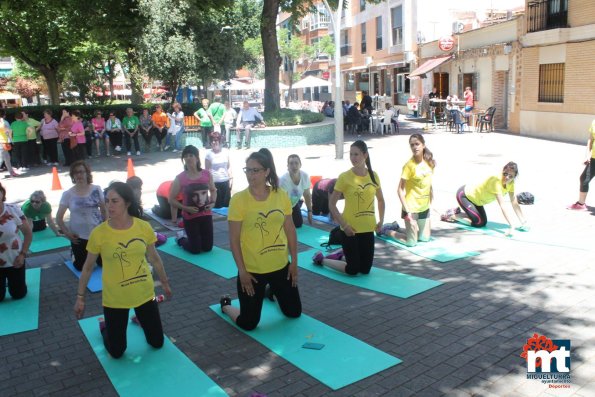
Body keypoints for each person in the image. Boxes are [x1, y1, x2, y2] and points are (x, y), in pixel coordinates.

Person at [74, 182, 172, 359]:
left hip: (143, 293)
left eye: (114, 201)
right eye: (107, 201)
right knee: (117, 352)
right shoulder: (99, 233)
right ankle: (105, 327)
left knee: (157, 343)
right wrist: (80, 297)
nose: (108, 206)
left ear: (127, 203)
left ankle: (138, 319)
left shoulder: (143, 227)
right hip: (115, 299)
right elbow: (88, 267)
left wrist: (165, 283)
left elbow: (154, 258)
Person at [219, 150, 301, 331]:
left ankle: (270, 291)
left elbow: (290, 229)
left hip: (281, 267)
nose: (251, 175)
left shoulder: (281, 195)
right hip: (252, 271)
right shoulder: (239, 200)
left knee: (294, 312)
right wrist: (242, 271)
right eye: (247, 170)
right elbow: (233, 239)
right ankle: (225, 305)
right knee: (248, 323)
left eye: (255, 170)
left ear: (267, 172)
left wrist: (294, 261)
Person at [312, 140, 385, 275]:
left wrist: (381, 220)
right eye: (351, 154)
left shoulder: (374, 176)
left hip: (368, 228)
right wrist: (344, 226)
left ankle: (341, 255)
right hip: (350, 229)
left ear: (365, 155)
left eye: (356, 154)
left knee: (365, 270)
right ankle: (322, 259)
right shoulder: (344, 177)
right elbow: (332, 204)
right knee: (352, 270)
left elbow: (381, 200)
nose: (353, 158)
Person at [441, 161, 527, 236]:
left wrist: (523, 221)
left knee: (483, 222)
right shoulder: (496, 181)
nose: (507, 177)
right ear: (502, 171)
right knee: (478, 222)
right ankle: (451, 215)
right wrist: (511, 225)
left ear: (514, 177)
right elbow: (502, 205)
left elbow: (513, 201)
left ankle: (458, 212)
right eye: (505, 174)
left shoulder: (511, 183)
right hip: (465, 196)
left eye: (510, 176)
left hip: (477, 201)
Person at [382, 134, 435, 246]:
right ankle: (387, 230)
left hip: (424, 207)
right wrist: (408, 213)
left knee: (424, 238)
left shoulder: (430, 162)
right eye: (412, 145)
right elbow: (399, 190)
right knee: (411, 243)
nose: (415, 147)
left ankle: (398, 228)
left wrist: (431, 202)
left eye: (417, 144)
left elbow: (429, 184)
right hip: (411, 208)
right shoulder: (409, 166)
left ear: (423, 145)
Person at [56, 161, 107, 271]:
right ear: (72, 176)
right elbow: (58, 218)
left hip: (97, 233)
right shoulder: (68, 194)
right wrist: (67, 234)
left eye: (81, 172)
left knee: (104, 264)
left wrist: (107, 228)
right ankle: (74, 253)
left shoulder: (96, 189)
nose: (79, 175)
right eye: (75, 173)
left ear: (87, 173)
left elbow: (104, 210)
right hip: (79, 236)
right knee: (81, 267)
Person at [168, 145, 217, 254]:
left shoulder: (206, 174)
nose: (188, 158)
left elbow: (213, 190)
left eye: (191, 155)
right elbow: (171, 199)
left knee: (207, 248)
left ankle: (195, 239)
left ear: (197, 158)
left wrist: (213, 203)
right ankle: (180, 238)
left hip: (206, 215)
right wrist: (185, 208)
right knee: (195, 250)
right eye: (185, 156)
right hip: (190, 217)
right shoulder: (180, 178)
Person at [0, 183, 32, 302]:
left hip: (15, 260)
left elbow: (28, 233)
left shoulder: (13, 209)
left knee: (18, 295)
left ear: (2, 193)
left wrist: (23, 254)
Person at [568, 119, 595, 210]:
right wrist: (587, 155)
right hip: (594, 158)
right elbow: (591, 140)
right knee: (584, 178)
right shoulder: (594, 122)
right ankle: (581, 204)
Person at [279, 154, 312, 228]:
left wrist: (309, 211)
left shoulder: (305, 176)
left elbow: (307, 195)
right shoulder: (283, 180)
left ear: (300, 165)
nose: (294, 166)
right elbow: (283, 202)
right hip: (281, 206)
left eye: (296, 163)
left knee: (298, 224)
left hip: (293, 204)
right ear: (287, 166)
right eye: (291, 163)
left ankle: (299, 202)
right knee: (285, 226)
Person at [205, 138, 232, 208]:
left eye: (216, 140)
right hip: (214, 183)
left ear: (220, 141)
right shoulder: (208, 154)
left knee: (226, 205)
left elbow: (228, 167)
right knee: (216, 206)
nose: (214, 142)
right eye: (212, 141)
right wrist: (210, 186)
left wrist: (231, 179)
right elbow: (207, 171)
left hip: (226, 181)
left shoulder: (226, 152)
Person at [0, 110, 17, 177]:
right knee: (2, 159)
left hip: (3, 142)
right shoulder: (4, 122)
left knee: (7, 158)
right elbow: (8, 131)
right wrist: (12, 140)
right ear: (4, 115)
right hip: (3, 142)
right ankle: (12, 172)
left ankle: (11, 172)